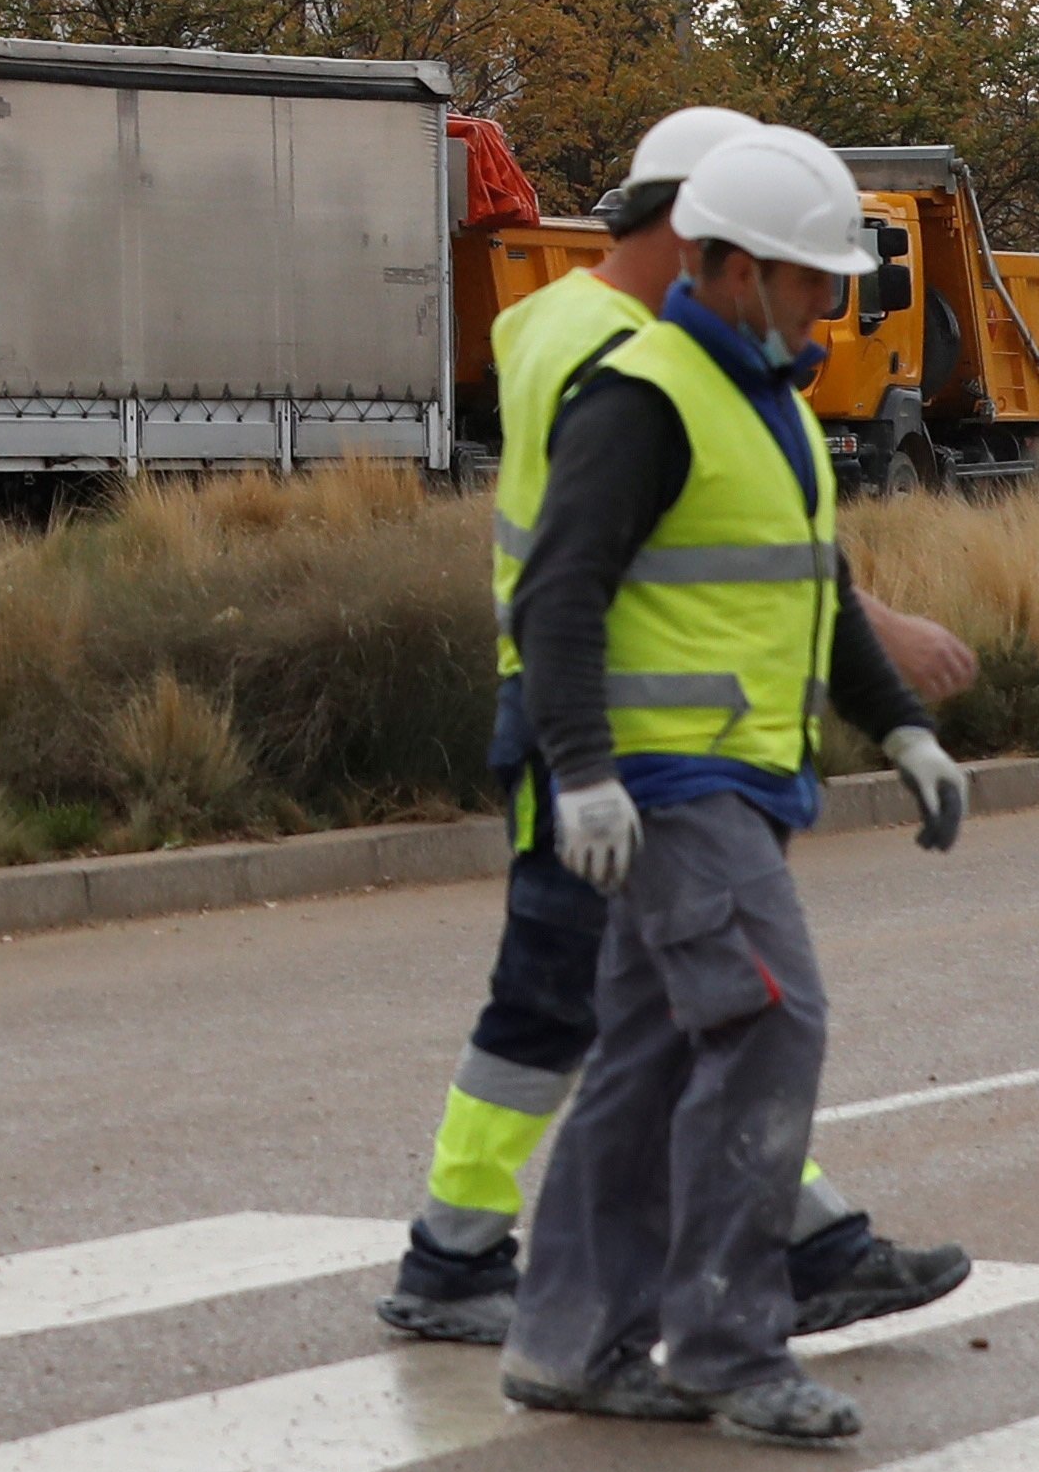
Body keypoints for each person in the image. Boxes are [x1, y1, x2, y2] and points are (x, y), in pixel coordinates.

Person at [384, 107, 979, 1347]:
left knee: (679, 1000)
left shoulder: (582, 327)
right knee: (584, 999)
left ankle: (803, 1243)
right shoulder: (615, 351)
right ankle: (462, 1254)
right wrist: (872, 623)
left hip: (617, 727)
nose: (807, 293)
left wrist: (870, 679)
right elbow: (631, 544)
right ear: (703, 232)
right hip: (596, 725)